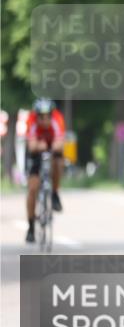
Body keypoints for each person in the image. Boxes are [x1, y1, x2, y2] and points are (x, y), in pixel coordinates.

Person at [25, 98, 66, 243]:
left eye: (47, 116)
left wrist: (51, 146)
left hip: (51, 149)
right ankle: (30, 227)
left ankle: (54, 193)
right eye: (41, 117)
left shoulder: (57, 119)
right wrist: (38, 146)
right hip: (36, 154)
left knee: (59, 162)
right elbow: (31, 146)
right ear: (36, 116)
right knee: (32, 188)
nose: (44, 120)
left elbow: (60, 144)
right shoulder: (31, 121)